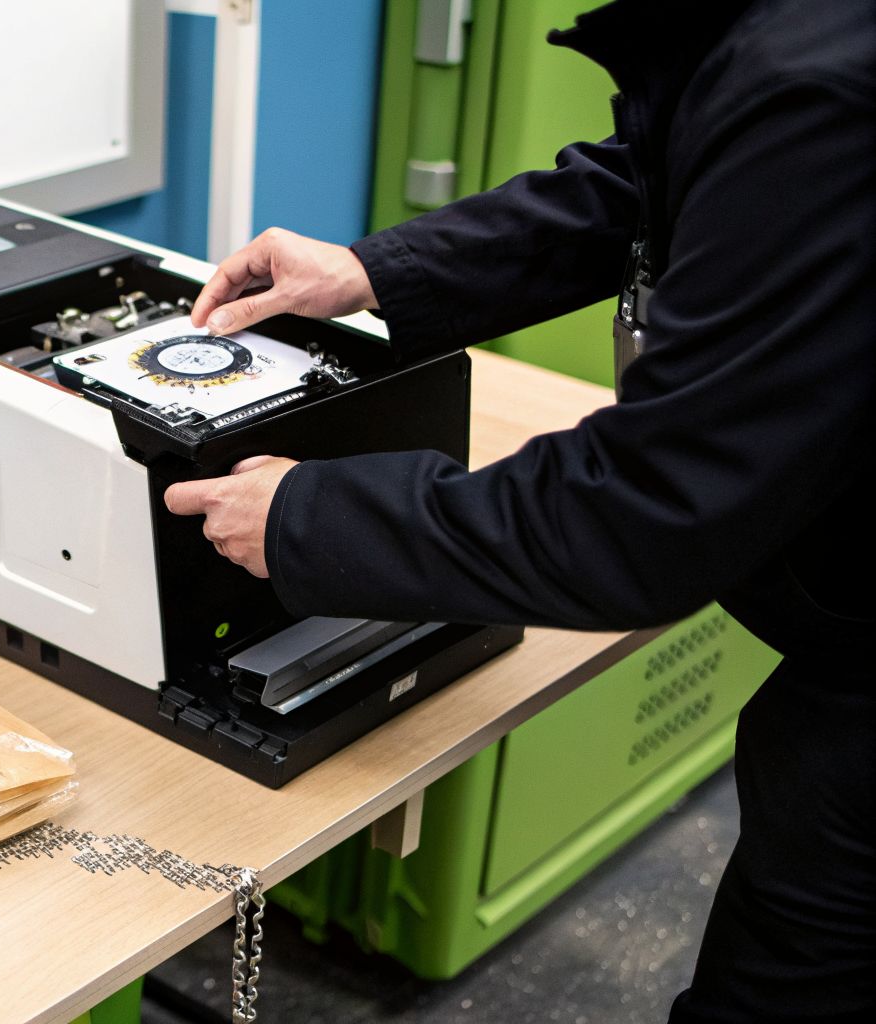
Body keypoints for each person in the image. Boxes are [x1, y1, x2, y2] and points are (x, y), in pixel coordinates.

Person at [161, 1, 874, 1020]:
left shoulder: (817, 84)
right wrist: (378, 271)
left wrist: (302, 518)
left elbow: (643, 516)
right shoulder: (778, 54)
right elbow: (649, 179)